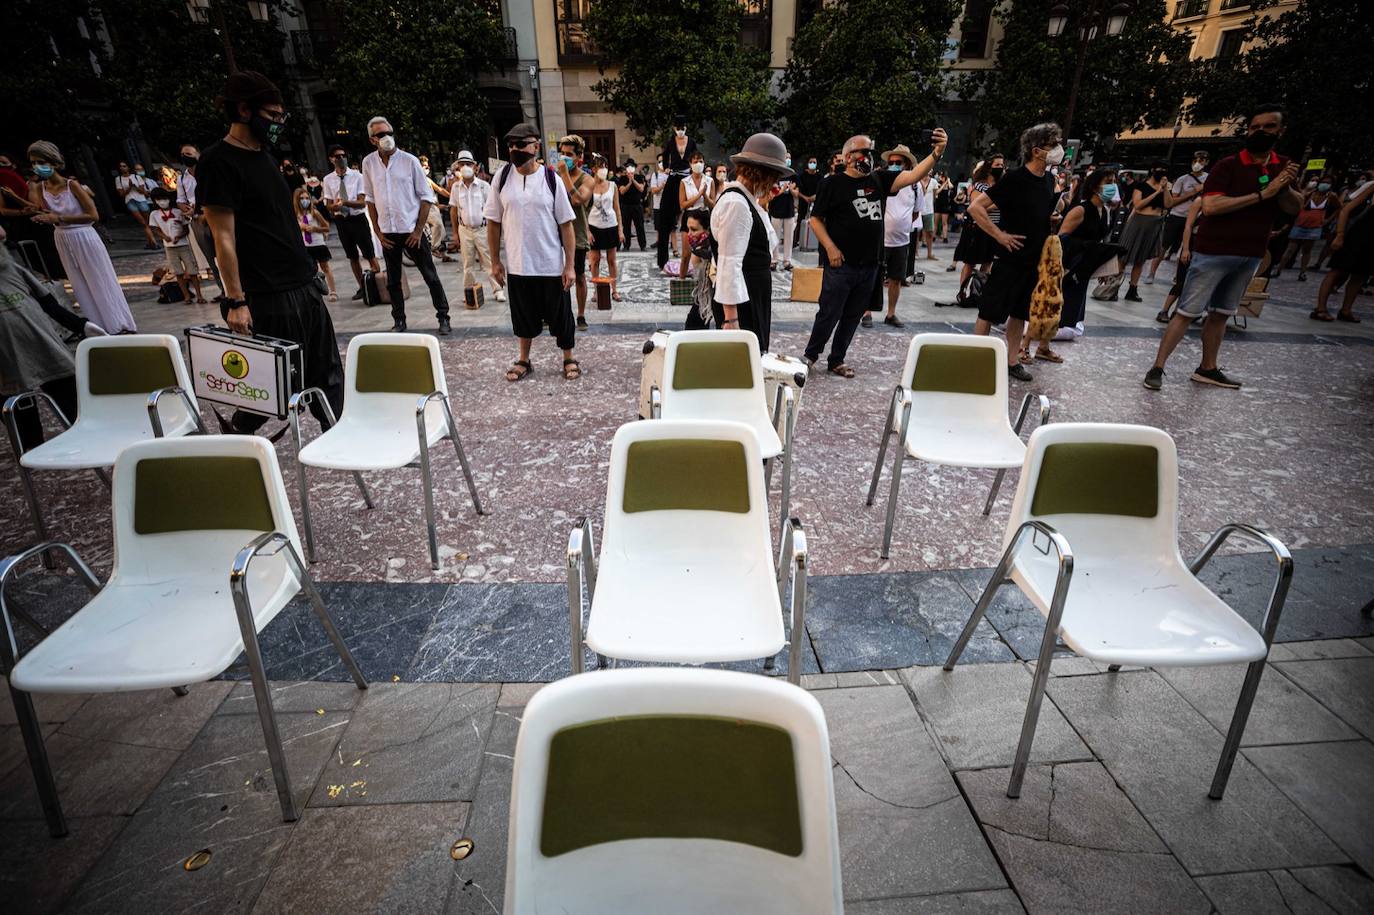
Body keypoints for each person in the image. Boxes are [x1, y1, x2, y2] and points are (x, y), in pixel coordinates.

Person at [198, 69, 344, 432]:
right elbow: (223, 238)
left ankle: (339, 433)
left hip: (303, 283)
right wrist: (235, 300)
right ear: (244, 110)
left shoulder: (264, 156)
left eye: (282, 117)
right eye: (273, 116)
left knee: (327, 374)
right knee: (274, 386)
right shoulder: (218, 162)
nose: (279, 124)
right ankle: (236, 441)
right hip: (269, 293)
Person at [1144, 104, 1303, 390]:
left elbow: (1294, 208)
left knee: (1221, 313)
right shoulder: (1228, 165)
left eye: (1269, 127)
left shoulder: (1282, 166)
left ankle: (1208, 368)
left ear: (1281, 131)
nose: (1261, 132)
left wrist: (1284, 186)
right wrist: (1262, 194)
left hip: (1250, 251)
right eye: (1255, 127)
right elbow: (1211, 205)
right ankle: (1157, 367)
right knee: (1187, 310)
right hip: (1214, 250)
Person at [804, 130, 948, 377]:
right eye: (864, 152)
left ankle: (837, 359)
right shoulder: (832, 183)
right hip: (841, 264)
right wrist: (830, 247)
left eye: (871, 153)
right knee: (829, 312)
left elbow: (914, 175)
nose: (868, 157)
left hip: (869, 264)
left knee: (852, 316)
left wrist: (937, 153)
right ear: (848, 156)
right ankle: (810, 356)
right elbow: (815, 219)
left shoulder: (879, 179)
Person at [967, 124, 1063, 382]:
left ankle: (1012, 361)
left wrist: (1051, 217)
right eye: (1052, 145)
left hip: (1035, 257)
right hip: (1010, 256)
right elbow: (976, 208)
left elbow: (1039, 211)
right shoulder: (1015, 179)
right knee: (990, 309)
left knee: (1020, 312)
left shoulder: (1050, 180)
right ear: (1036, 151)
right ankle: (977, 357)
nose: (1058, 150)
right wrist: (999, 235)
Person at [485, 123, 580, 381]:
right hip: (518, 264)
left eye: (521, 145)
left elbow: (566, 225)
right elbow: (493, 222)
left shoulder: (551, 180)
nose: (515, 150)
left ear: (536, 147)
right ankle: (524, 359)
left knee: (561, 316)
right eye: (512, 145)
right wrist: (495, 262)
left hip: (549, 263)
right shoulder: (502, 178)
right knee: (522, 315)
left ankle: (568, 357)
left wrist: (569, 265)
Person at [27, 141, 137, 334]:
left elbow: (93, 215)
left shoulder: (72, 185)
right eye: (33, 162)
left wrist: (59, 217)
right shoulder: (39, 188)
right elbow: (35, 207)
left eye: (40, 161)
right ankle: (97, 327)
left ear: (53, 161)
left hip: (84, 235)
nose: (37, 166)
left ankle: (118, 325)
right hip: (61, 237)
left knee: (99, 279)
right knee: (79, 284)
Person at [0, 227, 90, 451]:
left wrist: (82, 326)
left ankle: (85, 435)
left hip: (44, 346)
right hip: (7, 360)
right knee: (24, 428)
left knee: (74, 405)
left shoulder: (12, 269)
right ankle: (31, 450)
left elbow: (49, 303)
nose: (2, 234)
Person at [361, 116, 451, 334]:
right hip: (389, 232)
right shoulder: (369, 163)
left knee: (430, 276)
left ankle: (443, 317)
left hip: (412, 231)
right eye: (381, 134)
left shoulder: (409, 161)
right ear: (373, 139)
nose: (387, 138)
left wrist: (418, 230)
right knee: (393, 282)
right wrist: (379, 232)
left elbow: (426, 198)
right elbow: (370, 200)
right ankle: (399, 320)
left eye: (389, 133)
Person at [710, 132, 793, 352]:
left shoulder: (747, 200)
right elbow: (729, 264)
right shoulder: (736, 204)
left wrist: (763, 201)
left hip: (752, 295)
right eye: (774, 177)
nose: (775, 183)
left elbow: (766, 241)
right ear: (762, 174)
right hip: (742, 304)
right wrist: (731, 321)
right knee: (742, 365)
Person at [1054, 167, 1119, 351]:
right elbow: (1061, 238)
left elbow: (1100, 241)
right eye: (1107, 182)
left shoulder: (1105, 212)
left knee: (1076, 298)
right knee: (1065, 297)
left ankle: (1064, 327)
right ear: (1094, 186)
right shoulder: (1081, 210)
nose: (1112, 187)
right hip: (1070, 263)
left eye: (1113, 182)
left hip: (1084, 264)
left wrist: (1101, 266)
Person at [322, 144, 381, 300]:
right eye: (337, 156)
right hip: (341, 220)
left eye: (343, 155)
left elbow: (362, 202)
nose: (341, 159)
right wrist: (333, 207)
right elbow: (327, 204)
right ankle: (362, 287)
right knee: (352, 256)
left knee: (369, 253)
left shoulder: (357, 176)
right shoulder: (328, 179)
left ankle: (378, 285)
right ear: (331, 159)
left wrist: (345, 203)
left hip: (357, 218)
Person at [1311, 179, 1373, 322]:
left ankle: (1346, 310)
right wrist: (1339, 235)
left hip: (1371, 242)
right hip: (1357, 236)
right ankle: (1320, 308)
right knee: (1337, 271)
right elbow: (1346, 209)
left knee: (1360, 275)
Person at [448, 150, 505, 305]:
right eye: (462, 164)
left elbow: (493, 210)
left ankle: (498, 289)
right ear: (458, 167)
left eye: (468, 164)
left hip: (482, 228)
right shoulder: (456, 188)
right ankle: (469, 292)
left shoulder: (484, 186)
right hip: (464, 229)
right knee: (468, 264)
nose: (465, 167)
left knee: (489, 261)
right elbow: (453, 210)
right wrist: (454, 233)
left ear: (474, 167)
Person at [1148, 151, 1209, 283]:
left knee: (1185, 248)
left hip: (1194, 218)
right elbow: (1172, 202)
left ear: (1206, 162)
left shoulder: (1209, 179)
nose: (1198, 163)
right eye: (1195, 160)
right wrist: (1193, 192)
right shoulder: (1182, 179)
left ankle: (1178, 276)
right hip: (1177, 215)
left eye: (1202, 160)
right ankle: (1151, 273)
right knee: (1164, 245)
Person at [1118, 162, 1172, 301]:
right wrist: (1156, 192)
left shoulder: (1164, 187)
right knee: (1125, 255)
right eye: (1160, 170)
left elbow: (1168, 204)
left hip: (1155, 224)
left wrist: (1164, 189)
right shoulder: (1140, 186)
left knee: (1141, 259)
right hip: (1139, 222)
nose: (1162, 173)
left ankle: (1133, 289)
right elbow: (1138, 205)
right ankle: (1113, 286)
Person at [952, 154, 1005, 298]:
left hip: (993, 228)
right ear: (989, 167)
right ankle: (962, 292)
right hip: (978, 228)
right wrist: (997, 203)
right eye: (997, 165)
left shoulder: (999, 186)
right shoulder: (979, 186)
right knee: (970, 262)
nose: (1000, 168)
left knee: (988, 262)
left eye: (1002, 165)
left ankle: (979, 291)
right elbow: (976, 207)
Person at [174, 143, 222, 298]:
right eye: (183, 154)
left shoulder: (210, 172)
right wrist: (187, 210)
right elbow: (180, 200)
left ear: (198, 155)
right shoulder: (182, 179)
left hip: (215, 216)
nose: (186, 157)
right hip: (197, 220)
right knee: (210, 258)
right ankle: (223, 291)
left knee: (225, 253)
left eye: (189, 153)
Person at [880, 145, 919, 327]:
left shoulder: (915, 185)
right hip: (881, 238)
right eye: (891, 163)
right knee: (873, 278)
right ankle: (866, 312)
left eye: (898, 163)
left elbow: (916, 212)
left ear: (907, 164)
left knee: (896, 279)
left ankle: (891, 313)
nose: (894, 166)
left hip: (902, 240)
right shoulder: (881, 180)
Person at [1275, 175, 1337, 281]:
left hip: (1315, 227)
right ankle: (1278, 270)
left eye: (1328, 182)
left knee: (1306, 250)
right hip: (1300, 224)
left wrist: (1328, 220)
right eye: (1324, 182)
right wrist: (1307, 190)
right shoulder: (1311, 193)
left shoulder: (1331, 196)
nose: (1325, 184)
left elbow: (1340, 208)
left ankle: (1302, 273)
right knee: (1290, 249)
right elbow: (1300, 200)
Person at [149, 188, 205, 304]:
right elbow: (154, 228)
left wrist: (179, 236)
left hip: (183, 245)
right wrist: (164, 237)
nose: (162, 201)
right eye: (159, 199)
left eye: (164, 198)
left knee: (192, 271)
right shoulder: (154, 214)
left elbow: (186, 228)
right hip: (169, 247)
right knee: (178, 273)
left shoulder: (178, 212)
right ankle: (186, 296)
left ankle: (199, 295)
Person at [656, 117, 698, 268]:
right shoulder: (670, 141)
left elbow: (696, 157)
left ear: (686, 127)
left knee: (693, 212)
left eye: (683, 128)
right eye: (678, 128)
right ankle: (662, 261)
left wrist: (695, 171)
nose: (680, 131)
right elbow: (665, 155)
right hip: (673, 178)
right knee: (665, 217)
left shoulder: (692, 142)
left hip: (687, 177)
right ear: (674, 128)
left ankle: (696, 258)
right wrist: (666, 167)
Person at [1154, 195, 1202, 324]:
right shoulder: (1200, 201)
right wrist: (1185, 249)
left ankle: (1178, 311)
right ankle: (1164, 311)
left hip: (1205, 248)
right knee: (1181, 282)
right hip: (1191, 245)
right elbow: (1188, 227)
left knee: (1194, 284)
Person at [587, 155, 624, 302]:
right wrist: (587, 231)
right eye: (600, 166)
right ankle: (596, 291)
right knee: (595, 260)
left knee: (611, 260)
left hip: (611, 225)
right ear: (593, 169)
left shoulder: (612, 185)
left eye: (605, 166)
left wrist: (620, 230)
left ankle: (614, 290)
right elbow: (583, 211)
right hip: (594, 226)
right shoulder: (588, 185)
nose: (604, 169)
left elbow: (617, 209)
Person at [294, 187, 336, 301]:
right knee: (312, 270)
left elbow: (326, 227)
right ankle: (317, 291)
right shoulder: (295, 215)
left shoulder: (314, 212)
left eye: (307, 198)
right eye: (302, 198)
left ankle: (333, 291)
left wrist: (315, 229)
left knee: (325, 267)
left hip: (318, 244)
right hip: (305, 245)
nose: (305, 200)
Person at [681, 208, 716, 330]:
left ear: (707, 229)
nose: (689, 234)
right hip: (704, 295)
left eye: (694, 229)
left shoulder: (708, 251)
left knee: (694, 324)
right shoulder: (699, 248)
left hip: (711, 295)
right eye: (688, 229)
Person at [417, 154, 452, 262]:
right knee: (438, 225)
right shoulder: (416, 180)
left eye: (427, 166)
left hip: (433, 207)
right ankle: (434, 248)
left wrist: (452, 196)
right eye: (424, 166)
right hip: (426, 207)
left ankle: (443, 254)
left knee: (442, 232)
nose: (426, 168)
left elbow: (440, 190)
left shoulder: (427, 180)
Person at [767, 158, 798, 271]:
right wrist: (782, 189)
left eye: (789, 157)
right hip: (776, 211)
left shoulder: (793, 175)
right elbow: (772, 193)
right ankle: (773, 260)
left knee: (788, 237)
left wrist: (791, 190)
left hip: (789, 211)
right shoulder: (775, 175)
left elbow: (796, 193)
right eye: (785, 157)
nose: (787, 160)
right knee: (774, 237)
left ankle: (787, 261)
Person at [617, 158, 647, 251]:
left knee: (640, 226)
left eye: (632, 167)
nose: (630, 168)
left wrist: (633, 180)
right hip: (625, 206)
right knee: (626, 226)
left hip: (637, 205)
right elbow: (622, 191)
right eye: (628, 167)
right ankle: (626, 245)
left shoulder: (639, 177)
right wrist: (629, 183)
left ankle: (642, 245)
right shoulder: (622, 178)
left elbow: (641, 189)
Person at [796, 155, 822, 251]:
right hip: (803, 201)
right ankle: (797, 240)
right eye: (811, 162)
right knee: (801, 220)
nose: (812, 164)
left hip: (816, 201)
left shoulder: (820, 177)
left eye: (814, 162)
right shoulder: (802, 176)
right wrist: (805, 197)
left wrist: (814, 197)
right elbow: (798, 189)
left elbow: (821, 189)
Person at [933, 173, 954, 242]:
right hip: (938, 204)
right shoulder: (938, 184)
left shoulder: (948, 185)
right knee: (935, 222)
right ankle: (933, 236)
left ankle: (945, 237)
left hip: (945, 205)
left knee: (944, 222)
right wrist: (944, 184)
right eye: (940, 177)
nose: (940, 178)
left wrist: (948, 181)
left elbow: (951, 187)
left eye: (941, 177)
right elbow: (937, 192)